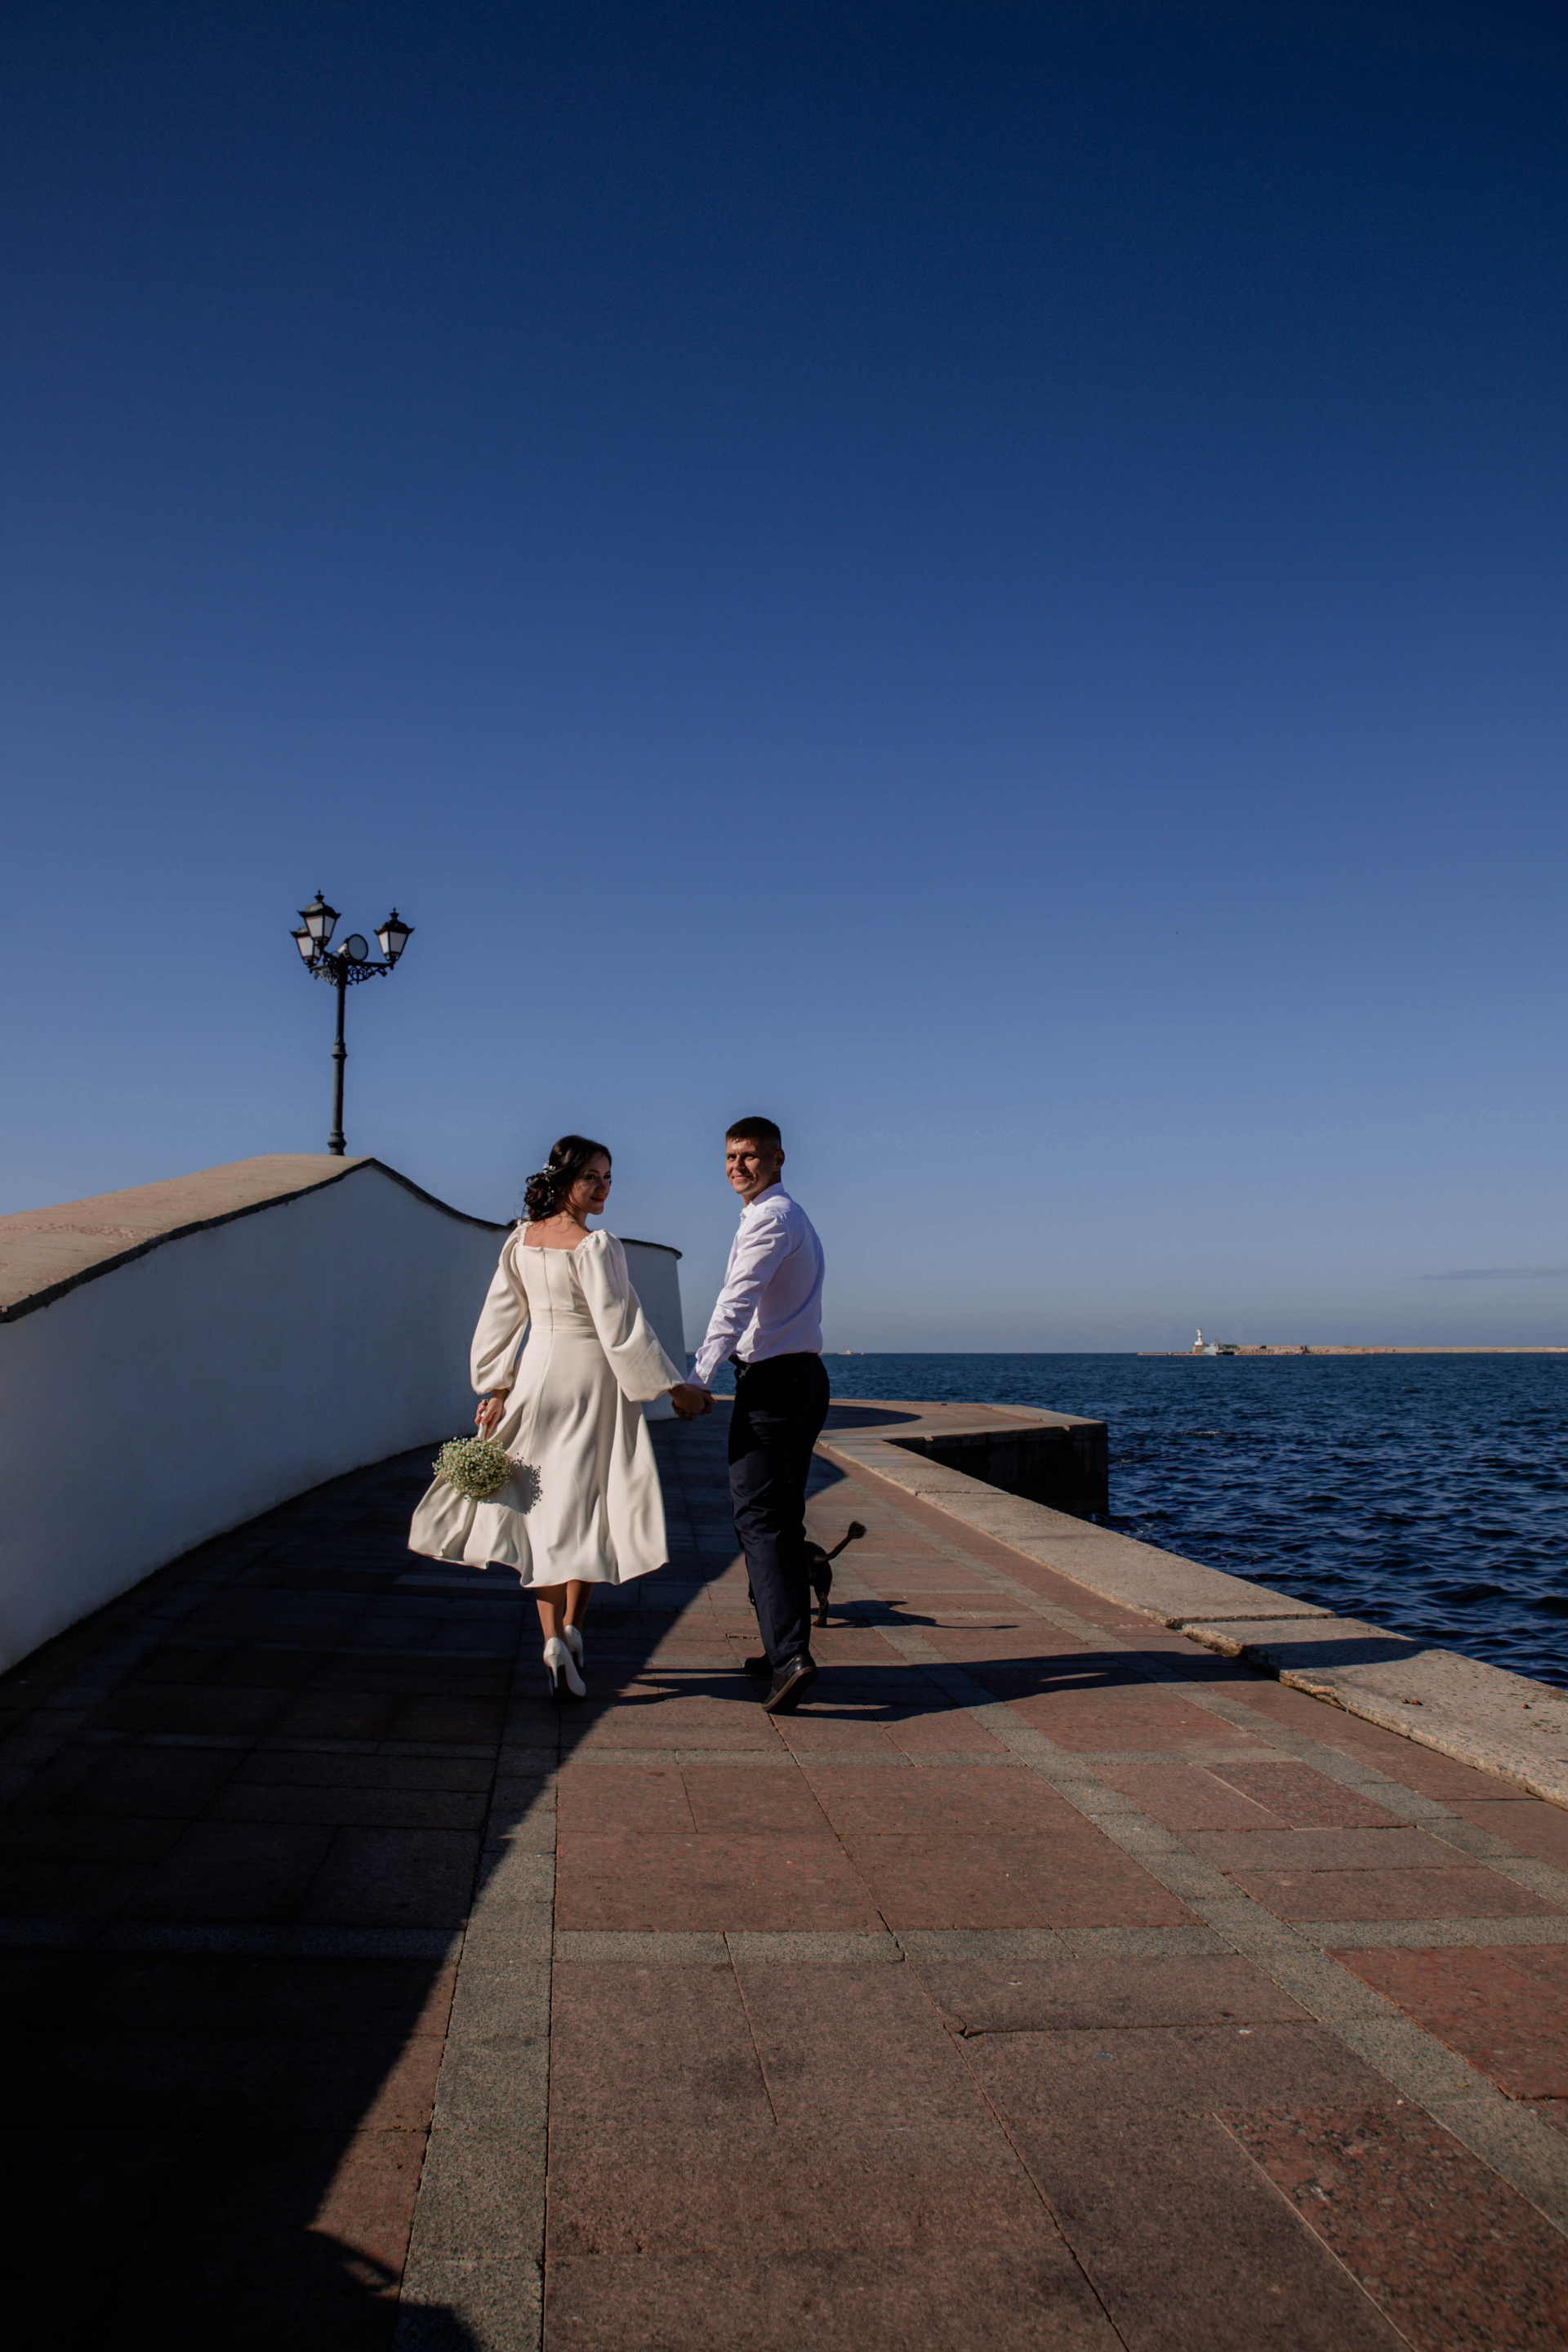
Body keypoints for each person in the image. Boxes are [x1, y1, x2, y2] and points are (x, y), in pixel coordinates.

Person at [408, 1136, 710, 1698]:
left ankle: (553, 1639)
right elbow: (620, 1328)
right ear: (564, 1179)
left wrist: (498, 1387)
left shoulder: (520, 1241)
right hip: (593, 1385)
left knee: (542, 1511)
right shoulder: (597, 1247)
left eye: (608, 1177)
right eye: (592, 1176)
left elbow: (500, 1318)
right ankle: (571, 1628)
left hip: (537, 1378)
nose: (603, 1188)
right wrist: (675, 1388)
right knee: (590, 1506)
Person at [684, 1117, 828, 1714]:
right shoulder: (787, 1216)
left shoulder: (771, 1219)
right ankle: (781, 1650)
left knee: (759, 1519)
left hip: (774, 1387)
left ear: (777, 1159)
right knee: (782, 1519)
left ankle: (790, 1658)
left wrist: (699, 1378)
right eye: (730, 1157)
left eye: (749, 1156)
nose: (737, 1166)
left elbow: (736, 1299)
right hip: (799, 1381)